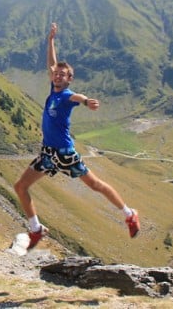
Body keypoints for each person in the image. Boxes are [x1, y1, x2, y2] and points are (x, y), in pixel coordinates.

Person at [13, 23, 141, 250]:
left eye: (62, 75)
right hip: (48, 153)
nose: (57, 76)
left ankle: (130, 214)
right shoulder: (53, 90)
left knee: (95, 185)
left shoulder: (67, 95)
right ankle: (36, 229)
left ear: (69, 79)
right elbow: (52, 63)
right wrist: (51, 40)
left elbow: (77, 97)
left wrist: (86, 101)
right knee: (21, 186)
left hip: (65, 153)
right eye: (56, 74)